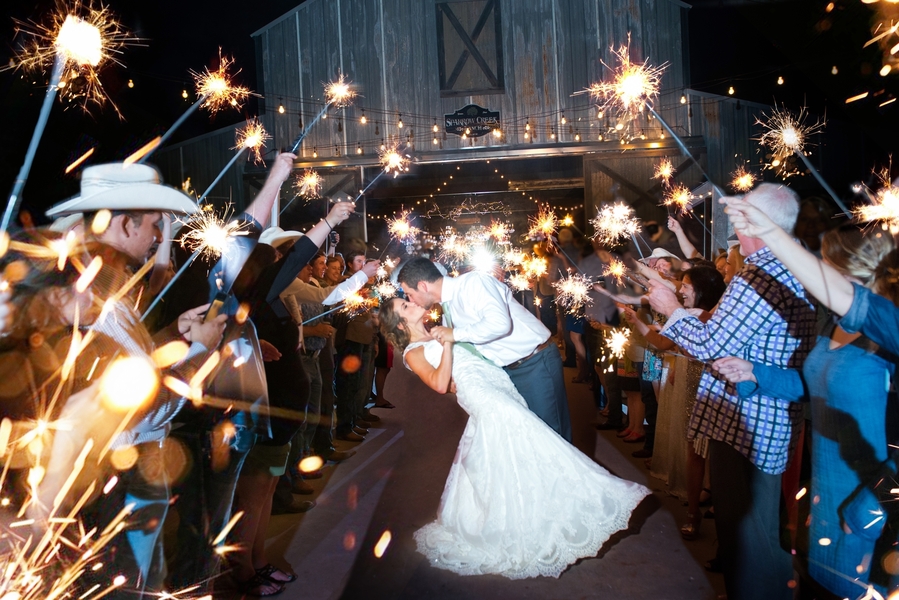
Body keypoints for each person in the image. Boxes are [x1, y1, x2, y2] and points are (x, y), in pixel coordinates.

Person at [378, 297, 649, 578]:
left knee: (511, 451)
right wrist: (447, 343)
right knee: (534, 438)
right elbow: (437, 383)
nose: (411, 302)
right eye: (405, 306)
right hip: (484, 396)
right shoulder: (412, 351)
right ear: (400, 323)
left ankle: (529, 514)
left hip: (496, 382)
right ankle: (581, 498)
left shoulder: (438, 327)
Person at [647, 183, 818, 600]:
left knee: (743, 528)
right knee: (763, 527)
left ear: (755, 223)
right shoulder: (804, 266)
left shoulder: (759, 276)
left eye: (741, 217)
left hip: (744, 421)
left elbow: (709, 345)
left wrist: (671, 310)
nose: (735, 225)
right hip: (776, 416)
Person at [398, 257, 572, 441]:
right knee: (532, 438)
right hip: (510, 372)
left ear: (423, 286)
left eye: (409, 294)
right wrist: (451, 382)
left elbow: (499, 324)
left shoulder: (473, 283)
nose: (411, 300)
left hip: (534, 362)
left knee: (553, 438)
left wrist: (455, 334)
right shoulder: (447, 312)